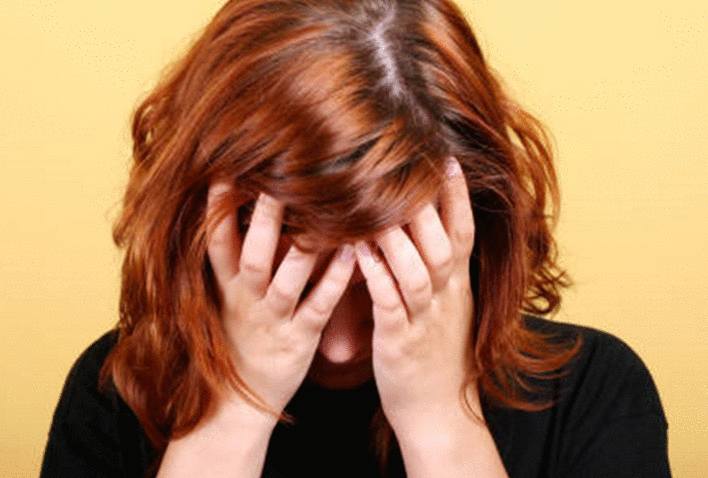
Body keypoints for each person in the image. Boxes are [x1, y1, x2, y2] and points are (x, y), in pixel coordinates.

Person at [39, 0, 671, 477]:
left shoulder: (594, 393)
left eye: (382, 279)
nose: (340, 347)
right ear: (206, 228)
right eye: (299, 278)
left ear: (471, 223)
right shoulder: (118, 391)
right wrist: (232, 413)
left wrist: (441, 423)